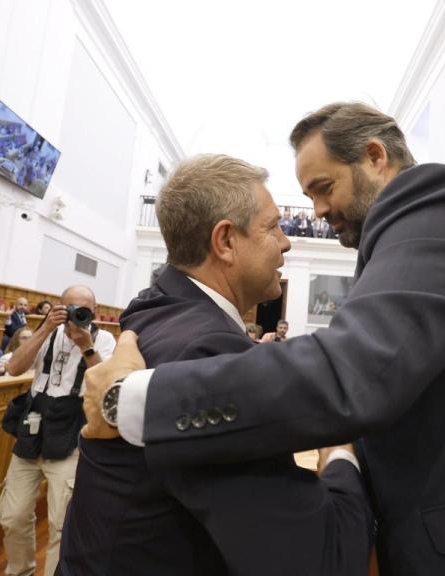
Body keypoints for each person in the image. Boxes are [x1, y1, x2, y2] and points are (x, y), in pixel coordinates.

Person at [84, 102, 445, 575]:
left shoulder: (439, 198)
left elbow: (355, 371)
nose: (313, 213)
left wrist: (136, 398)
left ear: (375, 156)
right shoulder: (394, 245)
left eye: (322, 187)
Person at [60, 154, 372, 576]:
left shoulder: (153, 309)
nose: (286, 242)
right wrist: (339, 453)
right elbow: (323, 556)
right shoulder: (209, 349)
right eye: (272, 226)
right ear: (225, 241)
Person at [0, 286, 115, 576]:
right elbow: (13, 369)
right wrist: (45, 328)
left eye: (83, 309)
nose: (76, 315)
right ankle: (19, 571)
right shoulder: (46, 332)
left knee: (62, 523)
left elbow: (105, 386)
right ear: (58, 308)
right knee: (12, 516)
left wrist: (86, 346)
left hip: (70, 433)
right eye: (70, 308)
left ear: (94, 310)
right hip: (33, 429)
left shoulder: (105, 339)